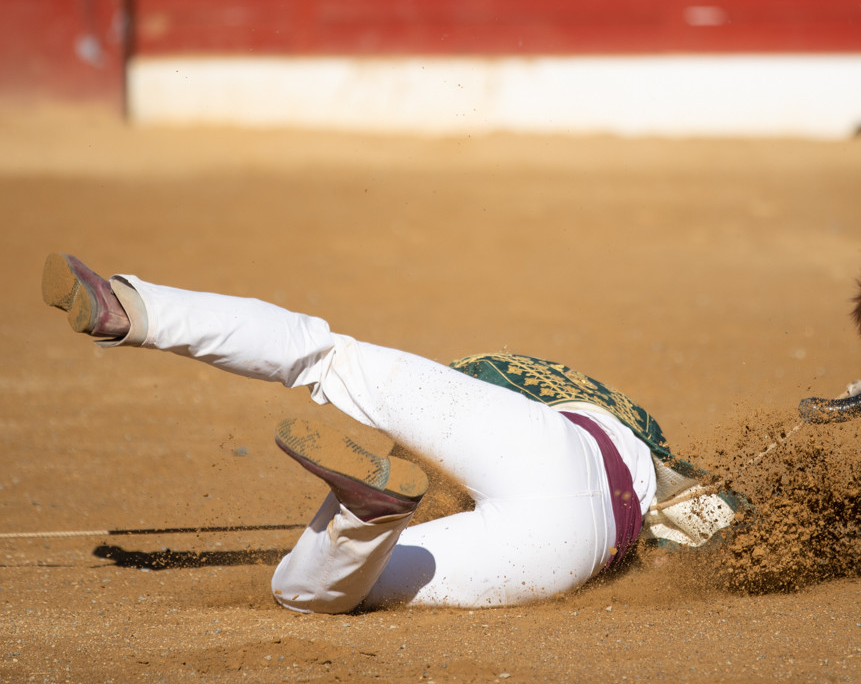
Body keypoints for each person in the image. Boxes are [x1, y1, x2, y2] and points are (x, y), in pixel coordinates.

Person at [41, 253, 741, 613]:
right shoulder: (642, 437)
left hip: (536, 442)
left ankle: (136, 309)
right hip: (575, 547)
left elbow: (432, 445)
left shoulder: (502, 376)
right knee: (328, 588)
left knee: (326, 358)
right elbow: (716, 523)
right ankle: (359, 520)